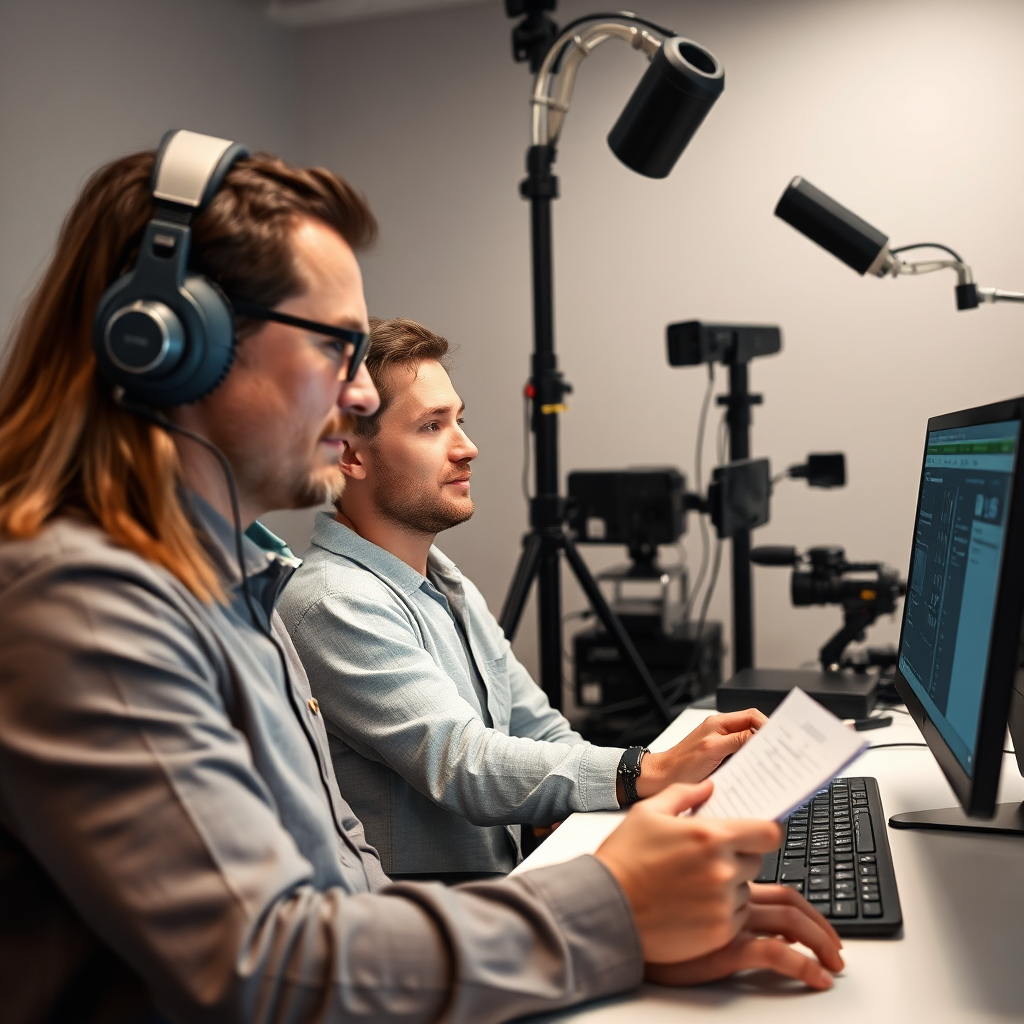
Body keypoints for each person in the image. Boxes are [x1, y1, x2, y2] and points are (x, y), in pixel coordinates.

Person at [0, 135, 842, 1024]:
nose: (361, 394)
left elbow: (347, 891)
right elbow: (268, 966)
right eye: (338, 347)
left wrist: (630, 934)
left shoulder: (239, 587)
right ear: (168, 344)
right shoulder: (87, 607)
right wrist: (613, 912)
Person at [279, 317, 768, 880]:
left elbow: (542, 732)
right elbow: (463, 765)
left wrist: (626, 798)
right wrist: (645, 771)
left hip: (504, 884)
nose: (468, 448)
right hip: (432, 920)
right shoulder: (331, 602)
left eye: (458, 420)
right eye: (431, 427)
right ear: (350, 456)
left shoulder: (444, 581)